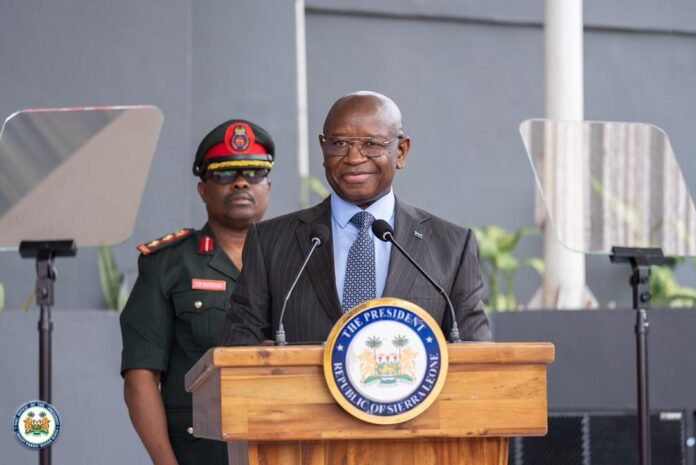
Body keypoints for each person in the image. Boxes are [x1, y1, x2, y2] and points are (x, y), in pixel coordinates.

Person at [218, 91, 490, 346]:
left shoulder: (452, 246)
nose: (354, 157)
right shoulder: (269, 242)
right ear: (323, 148)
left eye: (371, 144)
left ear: (401, 151)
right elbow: (238, 348)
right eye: (340, 144)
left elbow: (476, 357)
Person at [120, 119, 273, 465]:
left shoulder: (297, 259)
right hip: (200, 453)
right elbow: (141, 375)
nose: (240, 182)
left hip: (281, 449)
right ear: (202, 189)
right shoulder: (167, 264)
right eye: (224, 174)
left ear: (268, 185)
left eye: (253, 172)